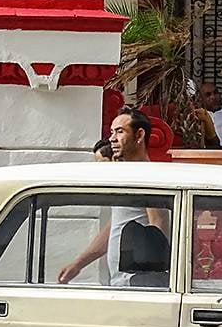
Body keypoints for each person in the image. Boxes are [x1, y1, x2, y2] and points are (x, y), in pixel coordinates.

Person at [58, 108, 170, 287]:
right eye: (112, 132)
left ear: (139, 135)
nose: (112, 139)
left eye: (120, 131)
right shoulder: (128, 177)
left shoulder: (149, 177)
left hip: (139, 283)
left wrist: (147, 277)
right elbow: (115, 226)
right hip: (121, 281)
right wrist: (78, 264)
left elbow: (158, 226)